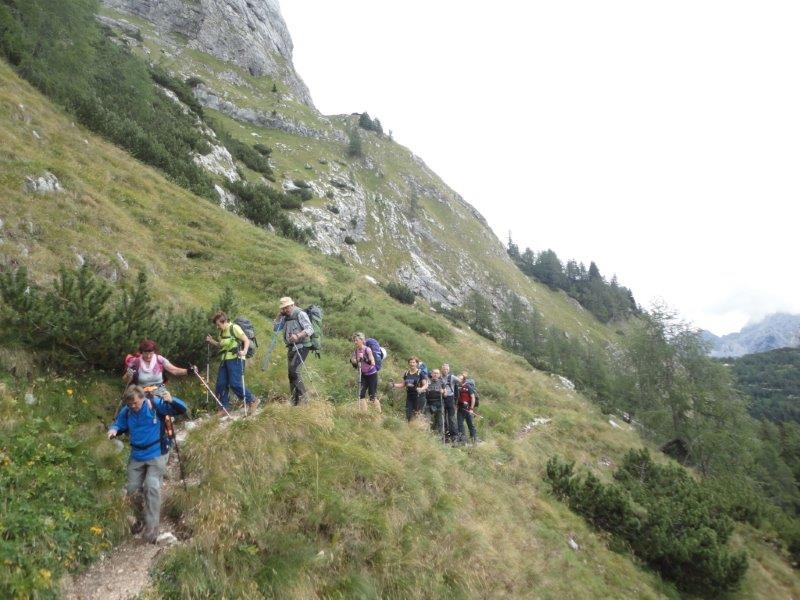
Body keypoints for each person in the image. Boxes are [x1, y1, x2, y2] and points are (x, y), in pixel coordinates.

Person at [107, 385, 187, 543]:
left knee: (151, 486)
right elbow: (118, 423)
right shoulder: (127, 411)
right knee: (132, 489)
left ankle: (152, 527)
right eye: (130, 404)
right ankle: (139, 519)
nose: (133, 406)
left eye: (135, 403)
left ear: (142, 398)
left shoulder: (155, 404)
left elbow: (181, 409)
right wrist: (114, 430)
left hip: (156, 452)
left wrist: (172, 400)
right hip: (136, 455)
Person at [205, 311, 258, 415]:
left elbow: (246, 340)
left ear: (224, 321)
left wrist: (244, 351)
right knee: (221, 384)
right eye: (216, 325)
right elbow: (222, 345)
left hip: (236, 359)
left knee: (235, 383)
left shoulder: (234, 328)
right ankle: (224, 408)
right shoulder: (221, 332)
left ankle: (252, 400)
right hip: (224, 360)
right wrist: (212, 341)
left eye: (218, 325)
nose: (217, 327)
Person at [276, 297, 314, 405]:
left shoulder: (300, 313)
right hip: (291, 347)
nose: (285, 309)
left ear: (292, 305)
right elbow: (276, 328)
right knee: (290, 374)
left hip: (302, 346)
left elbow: (310, 329)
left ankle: (304, 400)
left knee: (294, 371)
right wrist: (279, 316)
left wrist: (298, 335)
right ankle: (295, 402)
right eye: (283, 308)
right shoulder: (284, 316)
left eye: (287, 307)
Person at [123, 339, 194, 393]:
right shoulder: (135, 362)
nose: (148, 356)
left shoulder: (160, 359)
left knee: (174, 404)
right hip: (141, 392)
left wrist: (188, 371)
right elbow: (126, 380)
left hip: (160, 391)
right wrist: (129, 375)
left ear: (154, 351)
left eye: (151, 353)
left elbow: (174, 370)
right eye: (145, 353)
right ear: (141, 352)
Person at [350, 332, 381, 412]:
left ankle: (379, 414)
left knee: (372, 396)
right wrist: (355, 360)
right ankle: (364, 413)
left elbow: (373, 363)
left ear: (362, 340)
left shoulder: (367, 349)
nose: (355, 342)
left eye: (356, 340)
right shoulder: (356, 350)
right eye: (354, 340)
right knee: (361, 395)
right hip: (363, 375)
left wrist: (364, 359)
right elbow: (353, 360)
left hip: (372, 375)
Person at [391, 356, 428, 421]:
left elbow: (426, 385)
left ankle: (418, 426)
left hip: (419, 397)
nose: (412, 364)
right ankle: (410, 425)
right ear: (408, 363)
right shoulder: (406, 373)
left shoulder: (420, 373)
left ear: (417, 363)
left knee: (416, 415)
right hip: (410, 396)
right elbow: (403, 384)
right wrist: (393, 385)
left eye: (413, 362)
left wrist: (421, 389)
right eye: (410, 362)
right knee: (408, 414)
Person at [456, 371, 478, 444]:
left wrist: (471, 409)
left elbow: (473, 398)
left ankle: (474, 440)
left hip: (468, 409)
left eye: (460, 379)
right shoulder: (457, 387)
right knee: (460, 424)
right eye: (457, 378)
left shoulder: (468, 387)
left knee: (470, 424)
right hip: (460, 408)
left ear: (463, 380)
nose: (458, 380)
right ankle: (462, 440)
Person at [425, 368, 448, 436]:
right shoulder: (427, 382)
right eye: (434, 373)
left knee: (440, 421)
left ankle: (440, 436)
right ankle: (426, 435)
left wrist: (443, 392)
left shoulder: (442, 382)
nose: (435, 374)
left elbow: (446, 394)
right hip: (429, 403)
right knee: (427, 419)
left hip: (439, 403)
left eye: (437, 373)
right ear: (431, 374)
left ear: (439, 375)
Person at [440, 363, 458, 441]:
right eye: (444, 369)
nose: (445, 370)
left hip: (450, 399)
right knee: (442, 417)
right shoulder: (439, 377)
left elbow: (460, 381)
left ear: (449, 370)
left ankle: (454, 435)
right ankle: (446, 435)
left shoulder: (452, 377)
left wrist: (462, 378)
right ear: (441, 369)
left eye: (447, 369)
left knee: (451, 418)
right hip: (441, 398)